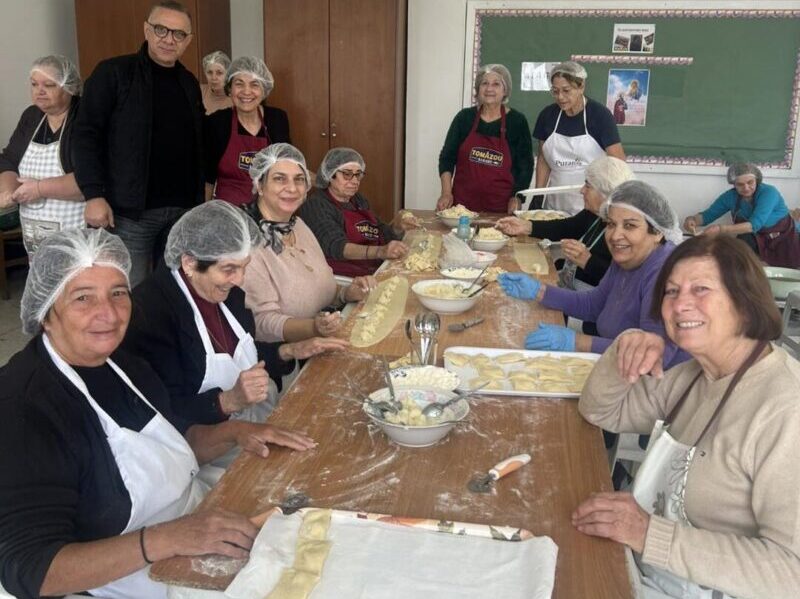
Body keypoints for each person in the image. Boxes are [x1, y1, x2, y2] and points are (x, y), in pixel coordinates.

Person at [0, 228, 315, 599]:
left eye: (118, 293)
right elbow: (30, 569)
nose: (108, 313)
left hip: (191, 518)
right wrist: (165, 539)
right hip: (126, 574)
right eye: (83, 298)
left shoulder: (125, 364)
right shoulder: (23, 407)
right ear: (45, 314)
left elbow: (174, 443)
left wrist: (236, 433)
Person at [573, 235, 800, 599]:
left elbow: (791, 571)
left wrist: (650, 534)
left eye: (701, 289)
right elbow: (601, 411)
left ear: (745, 301)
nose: (680, 305)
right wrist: (624, 349)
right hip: (650, 572)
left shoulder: (786, 408)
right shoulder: (694, 376)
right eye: (672, 291)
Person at [124, 200, 347, 429]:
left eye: (244, 267)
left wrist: (289, 350)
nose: (240, 280)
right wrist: (228, 401)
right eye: (229, 269)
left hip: (251, 419)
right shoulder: (149, 315)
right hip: (203, 441)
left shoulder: (228, 295)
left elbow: (240, 353)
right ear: (189, 263)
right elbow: (162, 412)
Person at [73, 0, 204, 287]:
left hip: (183, 211)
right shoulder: (114, 73)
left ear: (188, 40)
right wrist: (93, 194)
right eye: (161, 29)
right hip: (131, 214)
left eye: (178, 34)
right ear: (146, 30)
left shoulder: (189, 82)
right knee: (130, 290)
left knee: (177, 290)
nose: (169, 39)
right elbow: (85, 135)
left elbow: (197, 143)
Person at [498, 181, 689, 369]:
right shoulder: (627, 258)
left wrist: (576, 342)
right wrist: (538, 291)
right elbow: (594, 305)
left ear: (657, 232)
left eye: (630, 226)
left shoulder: (667, 275)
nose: (615, 235)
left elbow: (653, 354)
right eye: (611, 224)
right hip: (617, 364)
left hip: (658, 382)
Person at [242, 144, 376, 342]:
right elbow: (260, 323)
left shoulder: (297, 225)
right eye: (279, 179)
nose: (292, 188)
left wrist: (346, 293)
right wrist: (313, 328)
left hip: (326, 330)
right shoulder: (248, 242)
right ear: (260, 185)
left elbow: (320, 287)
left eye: (299, 179)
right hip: (288, 351)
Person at [496, 156, 634, 291]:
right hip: (571, 286)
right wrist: (526, 226)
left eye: (588, 186)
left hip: (595, 298)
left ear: (606, 194)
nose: (582, 190)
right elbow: (567, 227)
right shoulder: (595, 214)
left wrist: (588, 261)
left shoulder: (628, 232)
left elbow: (625, 281)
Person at [0, 55, 84, 254]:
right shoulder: (31, 116)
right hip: (34, 232)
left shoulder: (85, 116)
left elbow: (89, 179)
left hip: (78, 227)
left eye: (49, 85)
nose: (40, 91)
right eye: (34, 84)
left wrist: (39, 189)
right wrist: (7, 191)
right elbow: (9, 160)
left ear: (69, 87)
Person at [299, 147, 411, 276]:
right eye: (347, 174)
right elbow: (337, 247)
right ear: (330, 175)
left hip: (371, 267)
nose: (354, 181)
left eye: (358, 174)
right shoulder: (316, 205)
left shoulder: (357, 199)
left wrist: (397, 227)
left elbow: (379, 231)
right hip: (342, 275)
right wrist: (380, 252)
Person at [436, 64, 533, 214]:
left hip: (500, 209)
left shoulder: (517, 121)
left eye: (496, 84)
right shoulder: (464, 118)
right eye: (484, 83)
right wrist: (446, 193)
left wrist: (517, 197)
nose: (489, 89)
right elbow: (447, 158)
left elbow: (525, 166)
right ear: (478, 89)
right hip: (462, 209)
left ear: (505, 90)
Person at [532, 61, 625, 215]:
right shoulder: (547, 116)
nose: (560, 97)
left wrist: (616, 202)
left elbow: (618, 162)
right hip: (556, 202)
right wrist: (538, 194)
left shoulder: (600, 116)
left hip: (591, 203)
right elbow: (543, 159)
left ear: (581, 86)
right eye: (555, 91)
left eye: (566, 90)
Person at [204, 56, 290, 206]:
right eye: (239, 84)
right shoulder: (217, 122)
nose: (246, 91)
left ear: (264, 90)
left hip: (269, 208)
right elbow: (208, 179)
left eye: (254, 85)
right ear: (230, 89)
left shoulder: (277, 119)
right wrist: (204, 212)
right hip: (228, 211)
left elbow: (288, 166)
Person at [683, 162, 800, 268]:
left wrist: (720, 229)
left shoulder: (769, 193)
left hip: (786, 236)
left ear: (757, 180)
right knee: (739, 251)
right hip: (757, 237)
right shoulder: (730, 197)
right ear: (733, 184)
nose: (746, 188)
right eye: (740, 184)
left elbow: (754, 225)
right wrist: (692, 220)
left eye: (750, 182)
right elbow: (708, 215)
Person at [200, 50, 231, 114]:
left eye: (219, 73)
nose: (214, 78)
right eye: (210, 72)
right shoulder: (199, 92)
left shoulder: (236, 99)